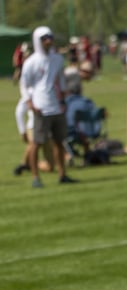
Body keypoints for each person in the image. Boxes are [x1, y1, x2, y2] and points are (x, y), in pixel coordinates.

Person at [20, 26, 77, 187]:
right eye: (44, 38)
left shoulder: (57, 59)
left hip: (56, 106)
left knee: (59, 142)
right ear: (38, 41)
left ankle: (62, 174)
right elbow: (24, 84)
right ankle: (36, 178)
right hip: (40, 106)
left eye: (50, 37)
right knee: (36, 143)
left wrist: (64, 97)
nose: (49, 41)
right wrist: (29, 102)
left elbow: (61, 80)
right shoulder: (31, 62)